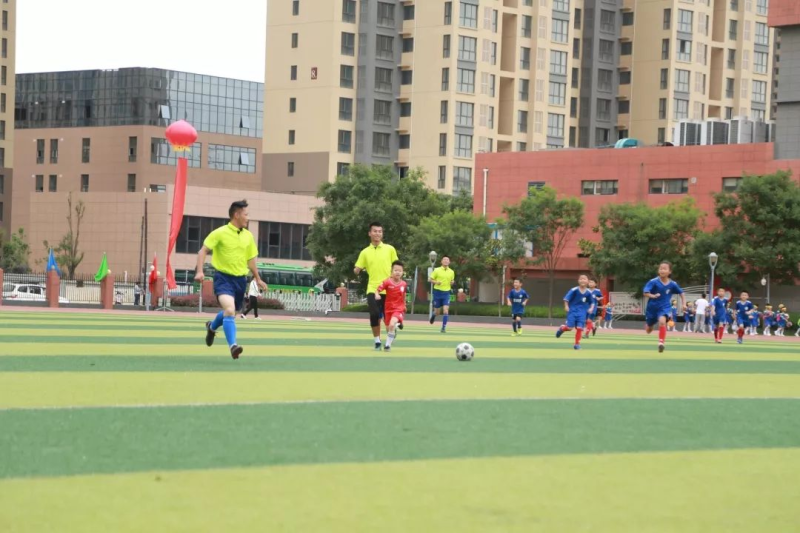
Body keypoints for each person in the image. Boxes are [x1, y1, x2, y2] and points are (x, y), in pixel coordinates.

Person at [195, 200, 267, 360]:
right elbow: (203, 251)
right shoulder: (220, 233)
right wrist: (200, 271)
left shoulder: (248, 236)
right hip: (223, 278)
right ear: (236, 215)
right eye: (246, 214)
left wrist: (257, 278)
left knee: (231, 311)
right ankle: (233, 346)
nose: (248, 218)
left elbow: (251, 260)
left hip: (240, 281)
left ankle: (211, 327)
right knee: (229, 310)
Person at [354, 222, 399, 351]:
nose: (377, 233)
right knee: (374, 314)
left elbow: (396, 266)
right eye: (375, 231)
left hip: (389, 288)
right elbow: (357, 268)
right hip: (373, 289)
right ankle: (377, 341)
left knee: (388, 320)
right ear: (370, 233)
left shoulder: (390, 249)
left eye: (380, 231)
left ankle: (391, 332)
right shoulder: (365, 252)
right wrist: (357, 270)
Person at [643, 261, 686, 353]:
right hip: (652, 308)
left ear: (669, 271)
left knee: (662, 322)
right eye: (660, 268)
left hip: (664, 307)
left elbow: (681, 293)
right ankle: (649, 324)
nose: (662, 270)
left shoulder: (672, 284)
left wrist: (684, 304)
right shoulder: (653, 282)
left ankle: (661, 343)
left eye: (664, 269)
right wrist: (652, 296)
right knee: (648, 330)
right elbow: (645, 293)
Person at [374, 260, 408, 352]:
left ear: (402, 272)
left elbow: (404, 295)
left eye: (400, 271)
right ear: (392, 271)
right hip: (388, 308)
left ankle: (387, 345)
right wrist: (377, 294)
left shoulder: (404, 284)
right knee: (389, 327)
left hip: (398, 308)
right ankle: (398, 324)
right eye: (396, 270)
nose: (398, 272)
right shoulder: (387, 282)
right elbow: (378, 289)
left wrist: (404, 305)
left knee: (392, 324)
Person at [555, 274, 594, 350]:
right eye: (581, 279)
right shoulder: (574, 290)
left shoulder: (589, 292)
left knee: (579, 328)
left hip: (582, 312)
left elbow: (592, 302)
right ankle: (562, 329)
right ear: (578, 281)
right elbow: (566, 299)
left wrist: (591, 308)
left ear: (587, 281)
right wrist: (566, 306)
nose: (582, 280)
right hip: (572, 311)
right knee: (569, 328)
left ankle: (577, 344)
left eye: (584, 279)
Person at [429, 255, 456, 333]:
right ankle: (434, 314)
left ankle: (443, 327)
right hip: (437, 292)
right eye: (444, 259)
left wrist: (452, 282)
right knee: (437, 312)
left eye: (447, 260)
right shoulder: (437, 270)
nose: (446, 261)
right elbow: (430, 279)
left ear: (449, 262)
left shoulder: (451, 272)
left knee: (445, 310)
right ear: (441, 261)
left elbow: (452, 281)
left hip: (446, 293)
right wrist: (436, 282)